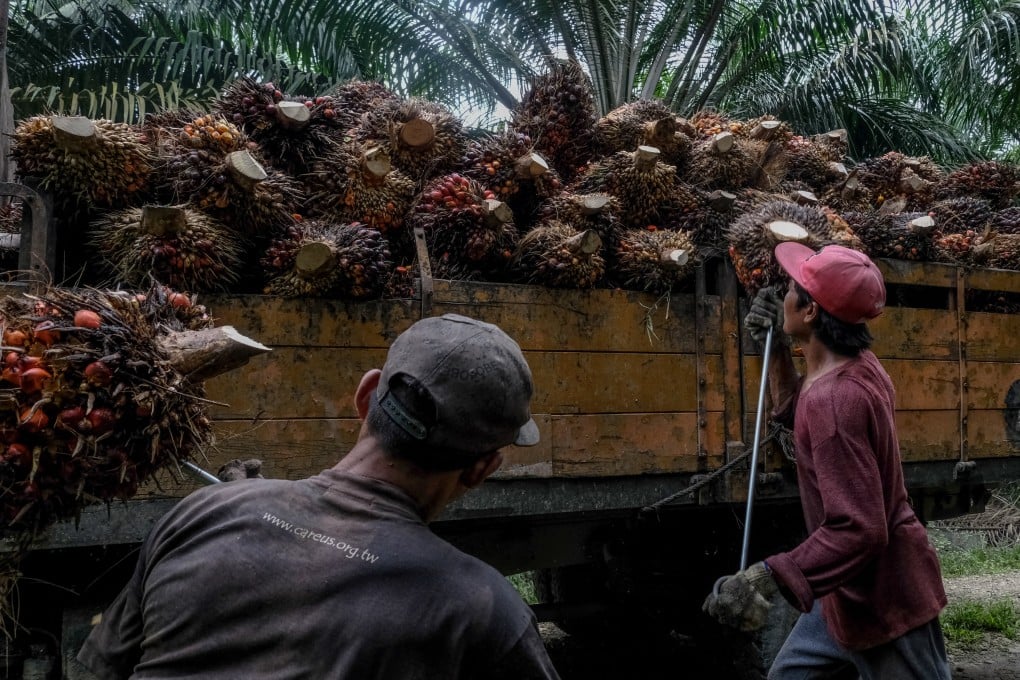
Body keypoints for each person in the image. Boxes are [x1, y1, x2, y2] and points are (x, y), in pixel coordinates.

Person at [78, 313, 561, 680]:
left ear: (366, 395)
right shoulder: (483, 613)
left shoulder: (201, 513)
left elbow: (96, 670)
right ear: (483, 468)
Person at [702, 243, 951, 679]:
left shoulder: (835, 400)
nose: (784, 294)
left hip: (886, 596)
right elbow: (804, 413)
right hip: (842, 593)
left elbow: (860, 528)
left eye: (794, 289)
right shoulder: (858, 367)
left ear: (811, 312)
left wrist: (767, 576)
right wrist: (777, 349)